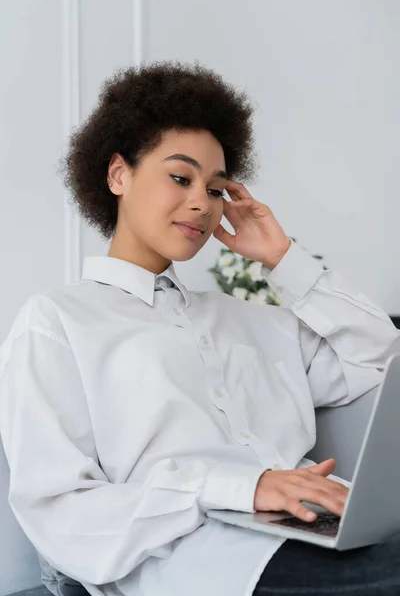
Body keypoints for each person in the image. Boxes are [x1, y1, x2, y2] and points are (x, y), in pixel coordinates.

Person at [0, 60, 399, 596]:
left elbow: (379, 359)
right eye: (180, 178)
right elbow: (61, 509)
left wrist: (283, 258)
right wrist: (245, 487)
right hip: (203, 563)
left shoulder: (253, 320)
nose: (200, 204)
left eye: (215, 190)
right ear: (119, 174)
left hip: (320, 527)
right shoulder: (57, 322)